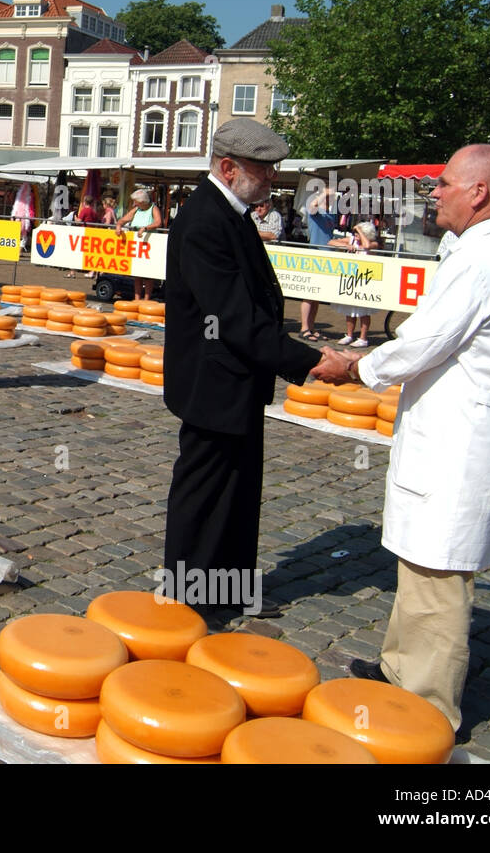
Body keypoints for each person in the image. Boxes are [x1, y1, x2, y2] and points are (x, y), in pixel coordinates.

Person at [337, 144, 490, 734]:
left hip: (460, 440)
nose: (436, 193)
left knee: (439, 572)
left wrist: (355, 367)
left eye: (445, 183)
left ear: (478, 192)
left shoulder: (487, 261)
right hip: (452, 431)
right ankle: (399, 667)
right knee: (419, 557)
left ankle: (427, 709)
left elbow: (426, 339)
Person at [162, 119, 344, 618]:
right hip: (212, 381)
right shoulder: (205, 219)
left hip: (235, 380)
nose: (272, 177)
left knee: (239, 494)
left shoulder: (234, 213)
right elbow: (234, 317)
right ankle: (188, 601)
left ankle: (231, 590)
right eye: (264, 168)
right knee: (203, 495)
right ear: (228, 167)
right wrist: (309, 360)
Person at [328, 221, 379, 346]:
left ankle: (363, 338)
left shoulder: (373, 243)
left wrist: (360, 231)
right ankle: (349, 335)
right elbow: (330, 242)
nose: (355, 235)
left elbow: (366, 246)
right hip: (351, 278)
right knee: (349, 309)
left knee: (363, 311)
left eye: (358, 233)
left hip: (365, 279)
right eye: (355, 232)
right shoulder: (351, 240)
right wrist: (344, 246)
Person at [298, 182, 338, 340]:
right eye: (330, 197)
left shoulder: (330, 215)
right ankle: (304, 328)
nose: (332, 199)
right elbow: (311, 207)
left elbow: (328, 237)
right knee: (309, 294)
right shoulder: (316, 212)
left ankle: (311, 326)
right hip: (315, 256)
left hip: (326, 256)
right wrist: (324, 194)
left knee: (316, 295)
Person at [114, 188, 165, 298]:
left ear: (142, 202)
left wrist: (146, 228)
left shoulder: (153, 208)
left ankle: (146, 299)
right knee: (137, 274)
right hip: (137, 246)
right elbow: (123, 220)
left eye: (135, 201)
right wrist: (118, 226)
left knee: (147, 275)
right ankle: (137, 298)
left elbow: (158, 222)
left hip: (149, 244)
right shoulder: (136, 209)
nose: (133, 203)